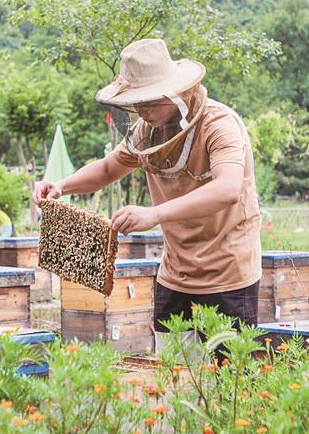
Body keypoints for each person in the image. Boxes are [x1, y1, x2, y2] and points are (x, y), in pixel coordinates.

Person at [33, 39, 261, 358]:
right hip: (175, 275)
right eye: (136, 101)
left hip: (228, 274)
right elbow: (107, 168)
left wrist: (154, 215)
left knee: (230, 384)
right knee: (173, 379)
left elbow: (227, 189)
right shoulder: (146, 131)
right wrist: (61, 186)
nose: (142, 110)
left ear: (175, 90)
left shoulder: (219, 124)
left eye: (149, 101)